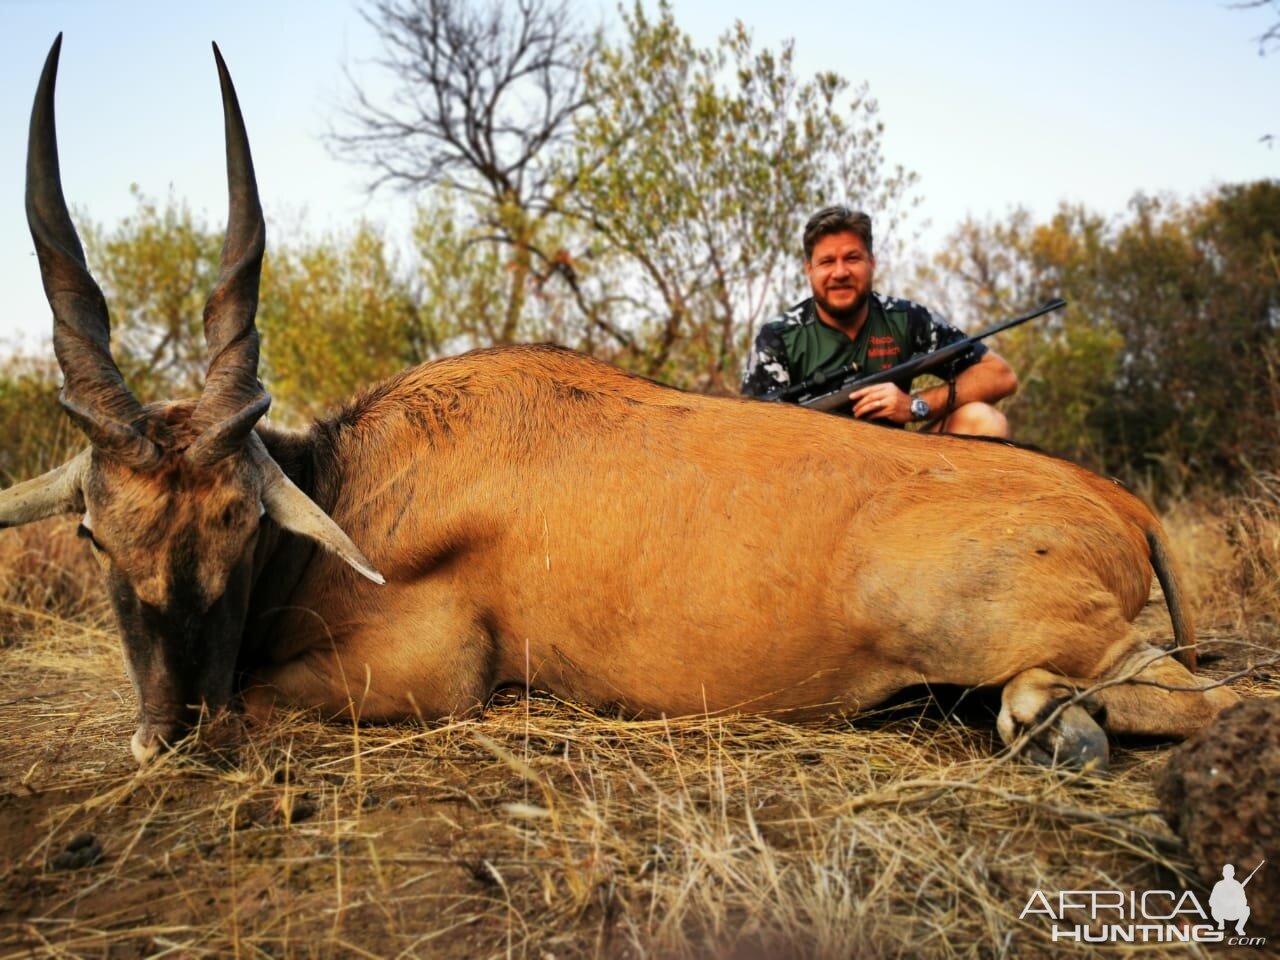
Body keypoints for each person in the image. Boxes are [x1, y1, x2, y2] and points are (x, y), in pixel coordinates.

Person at [741, 206, 1018, 436]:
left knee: (984, 421)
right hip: (810, 477)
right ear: (809, 270)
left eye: (852, 258)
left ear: (871, 263)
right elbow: (751, 435)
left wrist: (916, 405)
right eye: (827, 262)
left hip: (896, 471)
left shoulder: (906, 319)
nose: (840, 272)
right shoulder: (778, 337)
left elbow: (1000, 375)